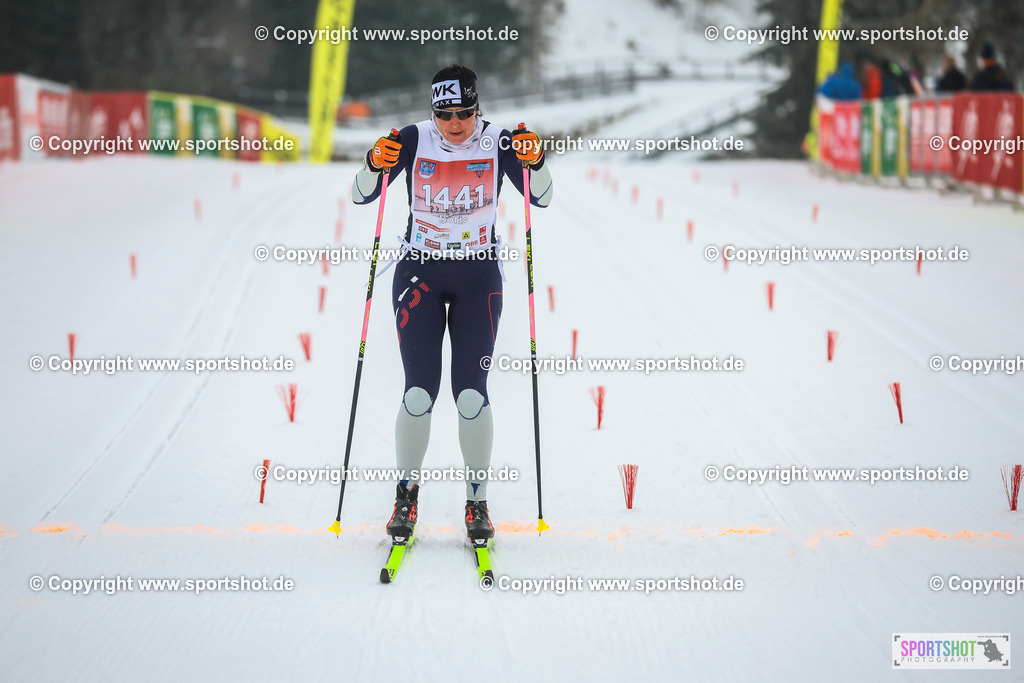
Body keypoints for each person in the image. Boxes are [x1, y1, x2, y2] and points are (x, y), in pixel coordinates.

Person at [350, 64, 553, 544]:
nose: (456, 124)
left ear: (477, 108)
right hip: (419, 272)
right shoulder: (410, 139)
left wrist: (537, 161)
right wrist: (373, 163)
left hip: (477, 276)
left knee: (470, 394)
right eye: (445, 114)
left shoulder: (501, 142)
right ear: (433, 112)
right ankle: (406, 494)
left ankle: (477, 502)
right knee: (419, 392)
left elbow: (540, 198)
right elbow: (361, 195)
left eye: (464, 113)